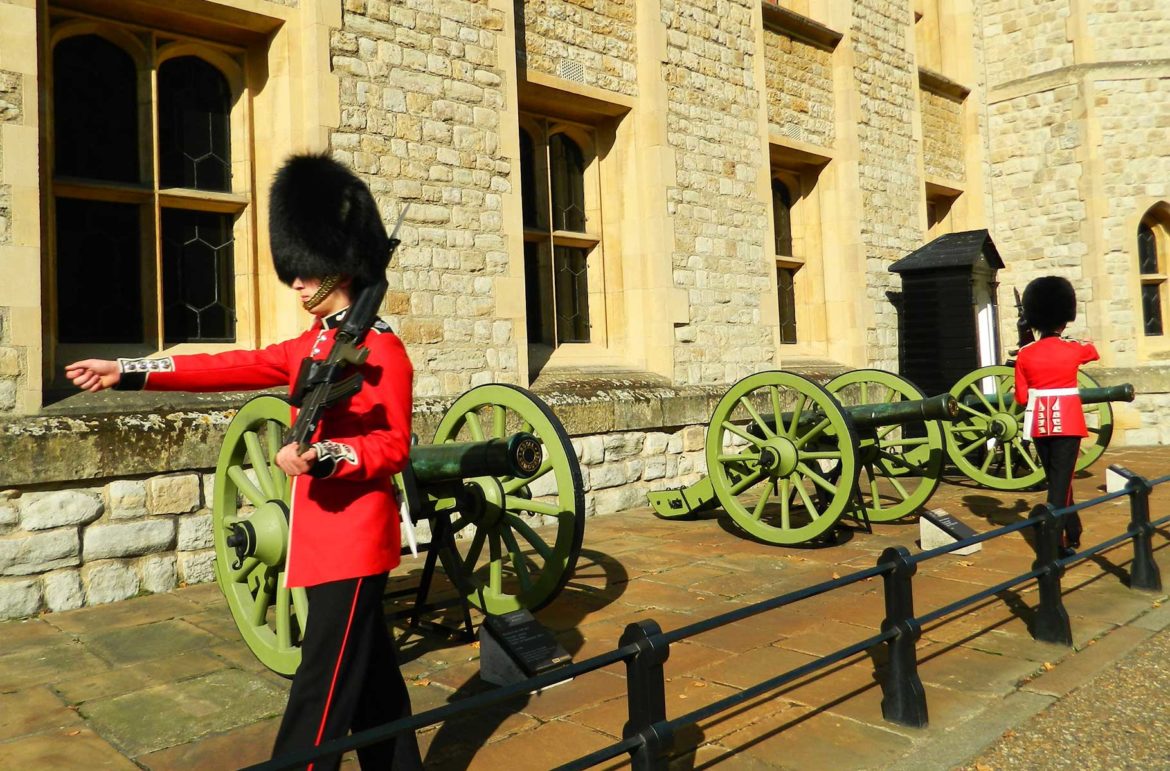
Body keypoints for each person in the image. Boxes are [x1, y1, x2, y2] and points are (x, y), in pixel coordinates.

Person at [65, 154, 422, 770]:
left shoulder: (383, 349)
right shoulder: (314, 344)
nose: (296, 283)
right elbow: (223, 367)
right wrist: (128, 371)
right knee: (372, 688)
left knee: (320, 696)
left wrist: (324, 457)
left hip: (356, 541)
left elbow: (390, 447)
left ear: (338, 264)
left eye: (305, 272)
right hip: (324, 538)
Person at [1013, 275, 1100, 558]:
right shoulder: (1072, 349)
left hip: (1038, 422)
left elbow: (1022, 398)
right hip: (1069, 422)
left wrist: (1028, 339)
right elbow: (1093, 350)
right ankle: (1053, 544)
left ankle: (1072, 530)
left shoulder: (1025, 354)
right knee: (1060, 485)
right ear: (1064, 318)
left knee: (1057, 480)